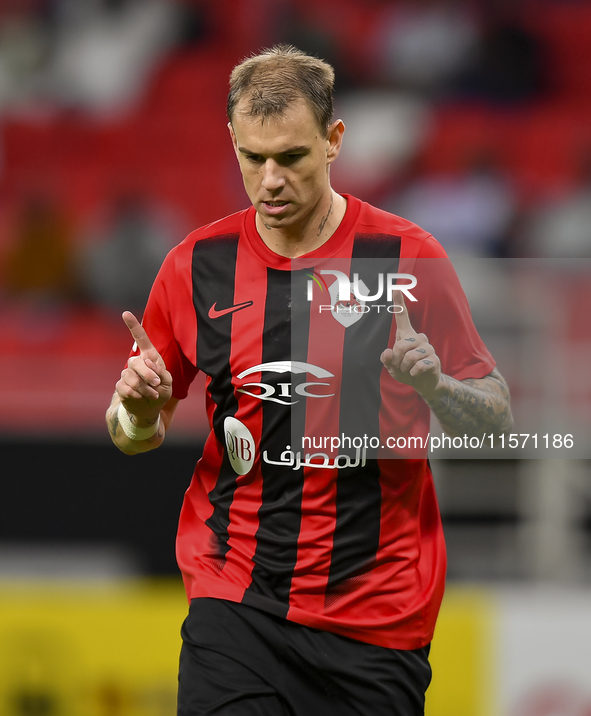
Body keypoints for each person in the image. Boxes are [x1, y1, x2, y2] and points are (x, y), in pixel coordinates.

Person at [106, 45, 512, 716]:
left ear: (333, 141)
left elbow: (494, 414)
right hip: (234, 601)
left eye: (290, 158)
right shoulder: (194, 266)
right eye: (252, 158)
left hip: (373, 621)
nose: (269, 181)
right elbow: (127, 436)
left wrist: (438, 387)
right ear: (232, 142)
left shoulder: (406, 257)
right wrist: (139, 411)